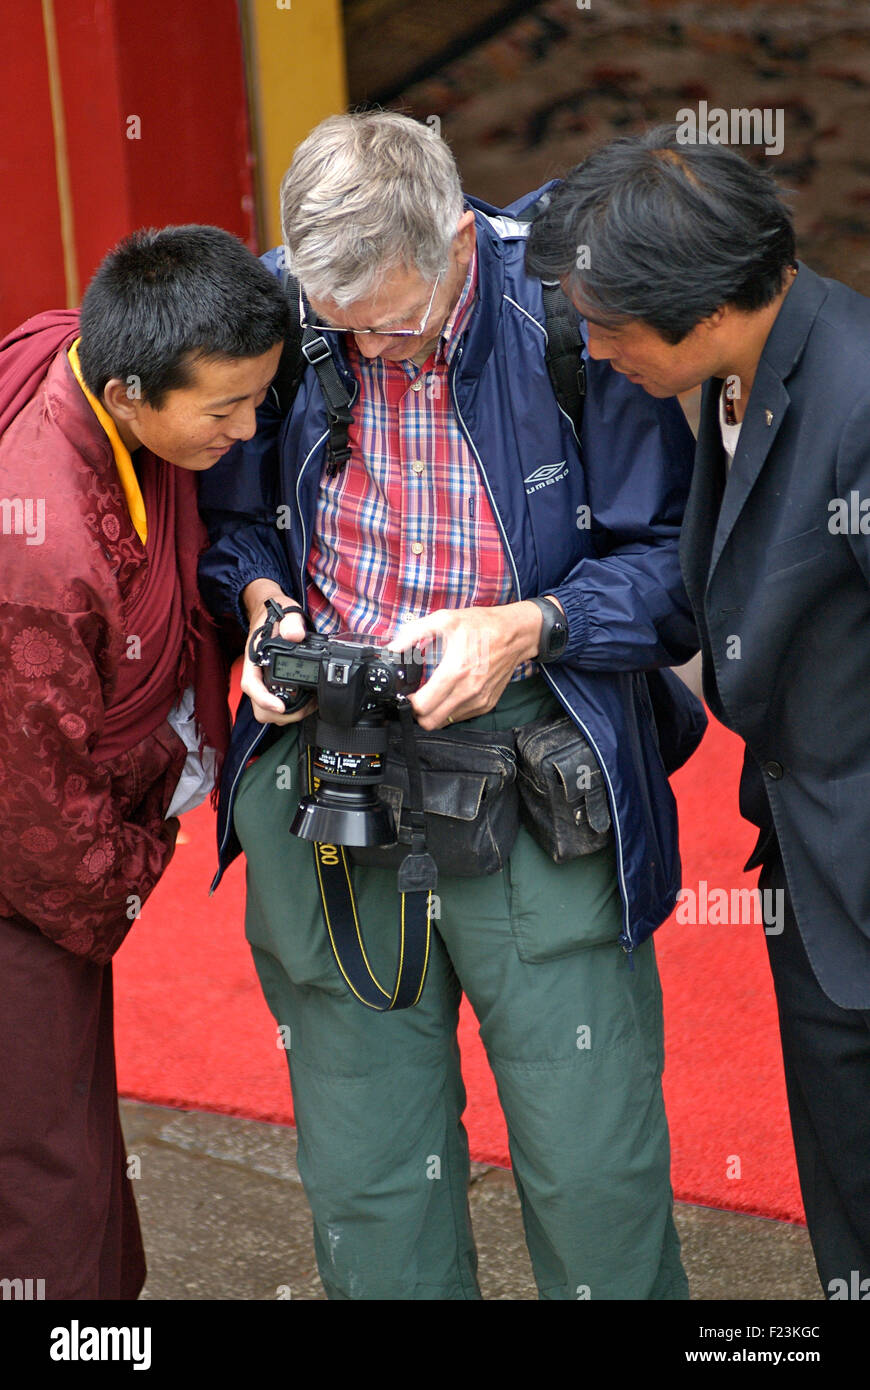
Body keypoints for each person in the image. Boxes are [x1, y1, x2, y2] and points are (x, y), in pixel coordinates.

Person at [198, 111, 703, 1301]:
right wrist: (264, 609)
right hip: (329, 760)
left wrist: (529, 625)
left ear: (458, 247)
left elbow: (677, 563)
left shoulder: (570, 317)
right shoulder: (288, 305)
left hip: (534, 757)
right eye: (336, 324)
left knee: (594, 1169)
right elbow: (226, 520)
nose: (362, 351)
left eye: (389, 320)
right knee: (371, 1180)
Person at [526, 124, 870, 1299]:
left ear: (706, 304)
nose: (591, 345)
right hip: (811, 851)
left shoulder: (862, 398)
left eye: (607, 325)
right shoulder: (751, 362)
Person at [0, 225, 288, 1299]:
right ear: (129, 393)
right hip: (21, 883)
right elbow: (34, 819)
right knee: (46, 1171)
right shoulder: (42, 548)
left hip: (48, 834)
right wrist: (133, 867)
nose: (247, 429)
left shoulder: (87, 361)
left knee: (70, 1132)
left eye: (258, 397)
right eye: (223, 410)